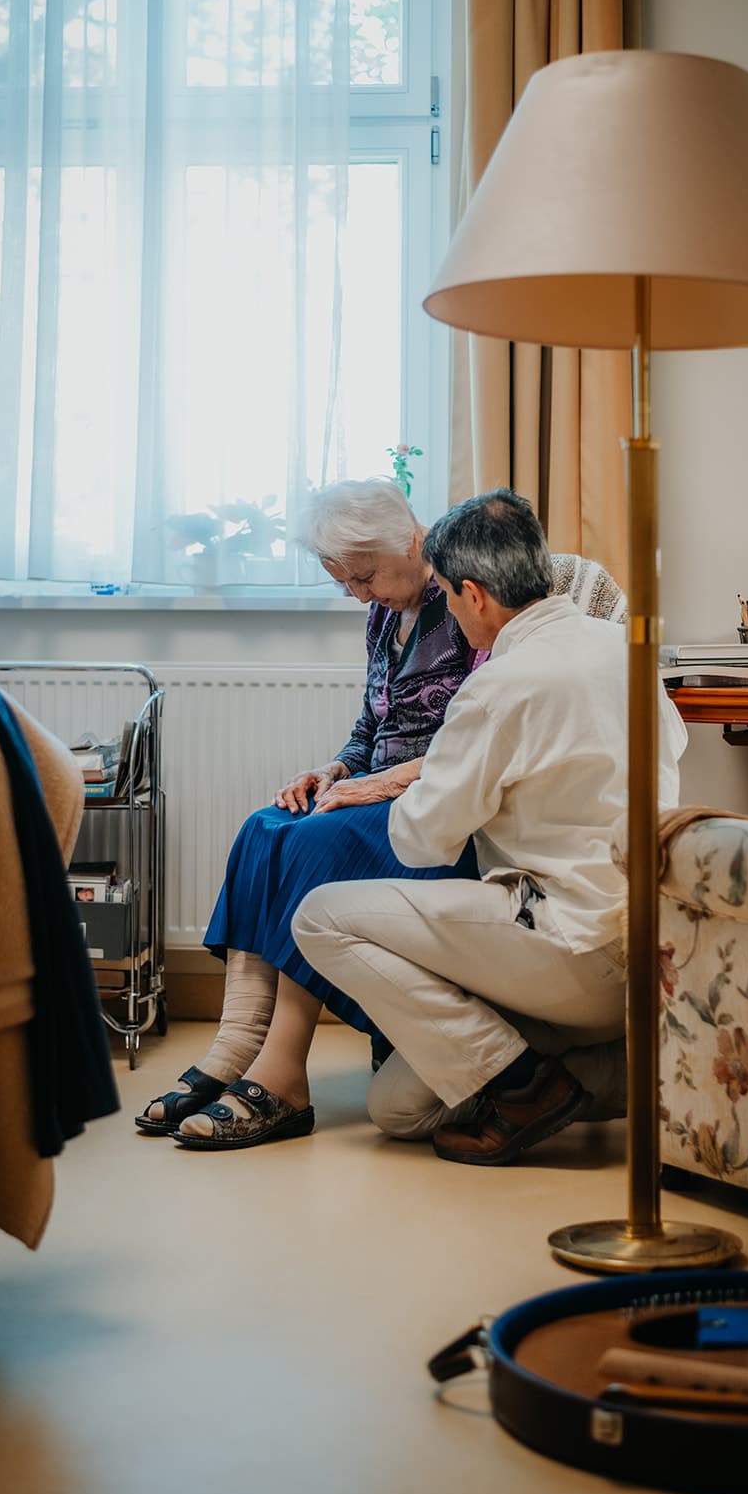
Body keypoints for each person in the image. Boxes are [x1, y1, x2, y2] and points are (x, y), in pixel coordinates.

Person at [291, 488, 688, 1165]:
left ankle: (519, 1080)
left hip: (568, 948)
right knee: (400, 1111)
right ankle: (625, 1070)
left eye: (444, 593)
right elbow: (673, 750)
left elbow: (421, 841)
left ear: (473, 595)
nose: (444, 606)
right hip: (649, 942)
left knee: (319, 916)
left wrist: (416, 780)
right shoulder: (624, 647)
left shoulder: (497, 685)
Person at [135, 478, 483, 1138]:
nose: (358, 595)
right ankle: (233, 1049)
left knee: (310, 841)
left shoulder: (468, 606)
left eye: (365, 576)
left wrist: (381, 784)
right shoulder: (385, 614)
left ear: (411, 539)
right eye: (344, 583)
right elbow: (369, 729)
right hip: (373, 795)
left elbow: (481, 741)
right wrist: (333, 770)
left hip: (436, 809)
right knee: (263, 828)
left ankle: (284, 1078)